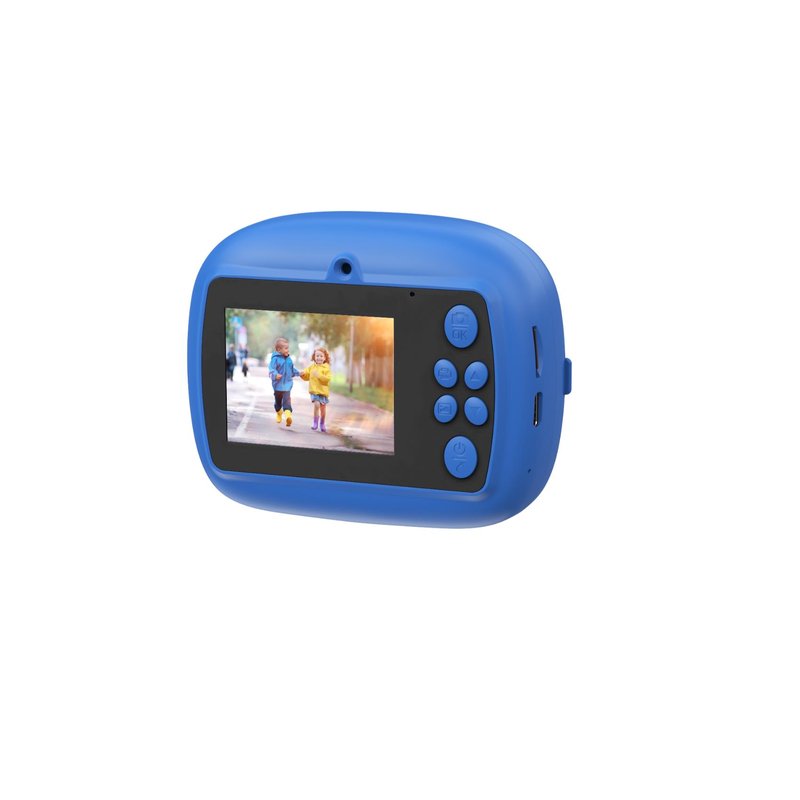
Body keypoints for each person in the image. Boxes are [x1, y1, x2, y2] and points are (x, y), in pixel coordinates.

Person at [268, 337, 300, 426]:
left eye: (288, 348)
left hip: (287, 385)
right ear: (279, 350)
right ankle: (279, 412)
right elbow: (271, 369)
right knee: (278, 404)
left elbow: (292, 369)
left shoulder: (289, 359)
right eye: (285, 348)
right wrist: (275, 375)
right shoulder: (275, 359)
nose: (287, 350)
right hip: (277, 386)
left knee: (287, 401)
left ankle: (288, 417)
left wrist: (299, 373)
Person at [300, 347, 332, 432]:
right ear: (314, 357)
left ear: (325, 358)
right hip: (314, 391)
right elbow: (307, 376)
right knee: (317, 405)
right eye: (317, 356)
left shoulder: (326, 368)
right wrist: (303, 374)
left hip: (323, 392)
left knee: (323, 409)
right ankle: (315, 422)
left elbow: (327, 379)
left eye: (321, 356)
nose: (319, 358)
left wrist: (319, 375)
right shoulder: (311, 367)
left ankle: (322, 423)